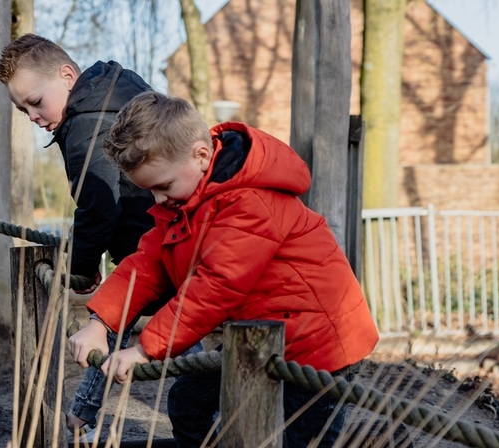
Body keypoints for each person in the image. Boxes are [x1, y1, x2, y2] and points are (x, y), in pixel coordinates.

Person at [68, 91, 380, 447]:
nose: (156, 200)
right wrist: (100, 322)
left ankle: (377, 441)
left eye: (163, 186)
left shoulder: (249, 201)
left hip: (316, 345)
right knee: (189, 403)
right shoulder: (184, 201)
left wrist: (143, 350)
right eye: (149, 190)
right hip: (258, 341)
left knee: (303, 437)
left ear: (201, 155)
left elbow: (215, 288)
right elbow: (148, 262)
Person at [0, 34, 202, 441]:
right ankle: (81, 416)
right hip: (158, 241)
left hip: (148, 246)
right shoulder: (120, 88)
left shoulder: (86, 126)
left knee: (174, 335)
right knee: (118, 328)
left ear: (67, 76)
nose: (32, 115)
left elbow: (97, 206)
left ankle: (211, 411)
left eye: (35, 102)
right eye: (22, 110)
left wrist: (82, 269)